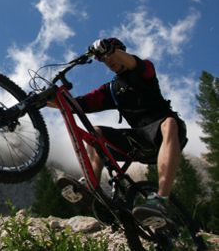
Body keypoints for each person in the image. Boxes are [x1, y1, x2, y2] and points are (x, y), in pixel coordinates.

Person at [54, 38, 187, 227]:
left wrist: (106, 47)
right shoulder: (112, 90)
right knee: (96, 132)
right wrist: (43, 100)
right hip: (136, 141)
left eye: (111, 55)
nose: (109, 61)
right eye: (104, 60)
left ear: (121, 51)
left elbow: (132, 63)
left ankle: (161, 200)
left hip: (164, 134)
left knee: (169, 123)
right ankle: (89, 186)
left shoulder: (144, 69)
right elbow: (77, 105)